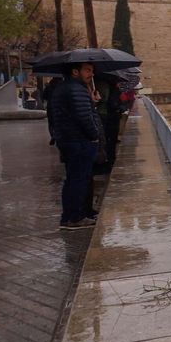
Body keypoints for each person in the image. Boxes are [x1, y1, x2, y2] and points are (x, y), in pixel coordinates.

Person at [53, 62, 104, 228]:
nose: (91, 74)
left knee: (73, 179)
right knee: (78, 180)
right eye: (87, 70)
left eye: (92, 70)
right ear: (75, 71)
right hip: (79, 141)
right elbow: (83, 117)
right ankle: (74, 217)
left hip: (69, 140)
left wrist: (92, 102)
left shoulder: (64, 88)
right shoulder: (76, 89)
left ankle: (69, 216)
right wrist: (94, 135)